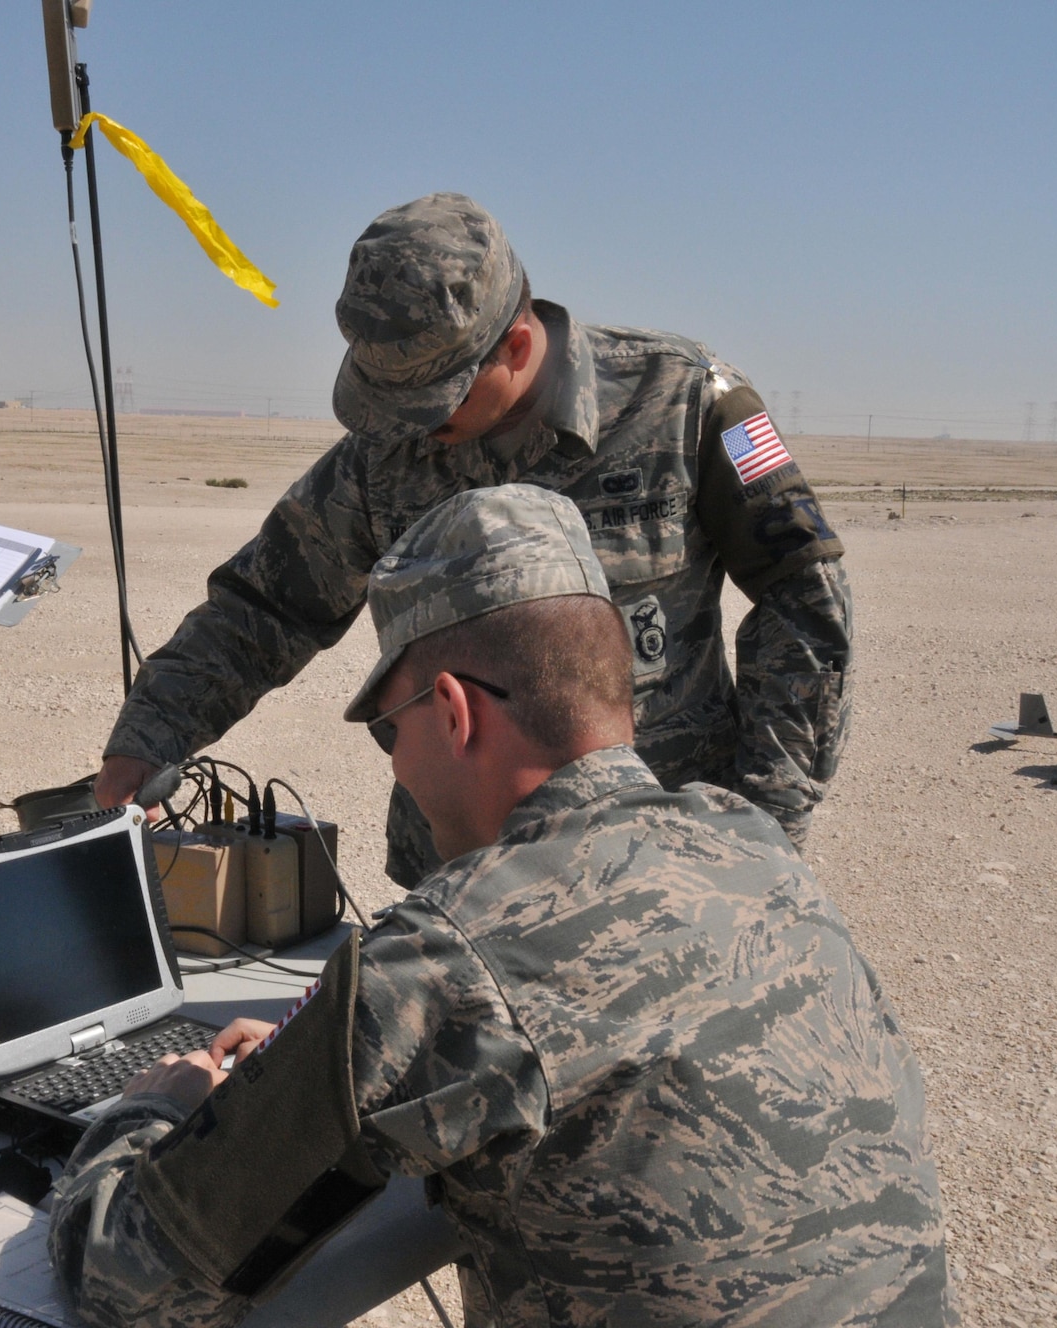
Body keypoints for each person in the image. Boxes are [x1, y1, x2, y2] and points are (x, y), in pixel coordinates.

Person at [50, 485, 951, 1328]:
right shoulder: (746, 842)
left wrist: (157, 1108)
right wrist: (311, 1054)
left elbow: (121, 1281)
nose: (395, 762)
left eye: (389, 727)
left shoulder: (454, 952)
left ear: (452, 710)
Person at [96, 193, 851, 882]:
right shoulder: (387, 449)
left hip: (667, 866)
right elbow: (264, 608)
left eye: (435, 401)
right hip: (465, 879)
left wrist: (767, 822)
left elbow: (803, 597)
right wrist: (150, 736)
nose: (411, 428)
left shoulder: (683, 399)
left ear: (516, 347)